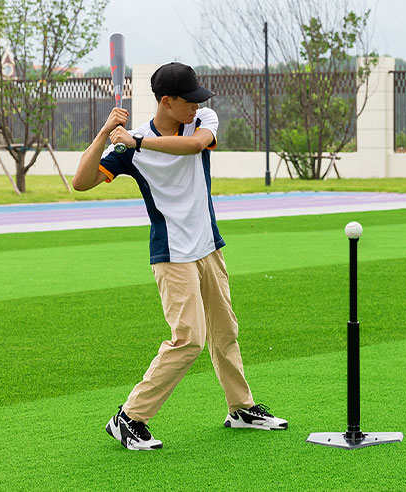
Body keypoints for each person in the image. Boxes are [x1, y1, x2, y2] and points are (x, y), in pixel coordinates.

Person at [72, 62, 287, 451]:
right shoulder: (129, 146)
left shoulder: (199, 121)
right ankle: (129, 418)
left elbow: (194, 146)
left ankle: (240, 408)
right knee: (189, 339)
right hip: (172, 254)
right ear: (167, 102)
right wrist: (106, 133)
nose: (197, 105)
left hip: (208, 245)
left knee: (225, 331)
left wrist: (136, 142)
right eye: (189, 100)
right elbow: (81, 182)